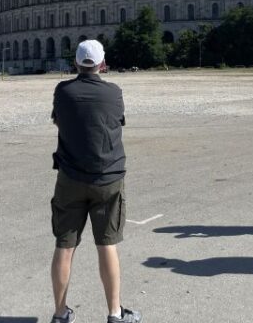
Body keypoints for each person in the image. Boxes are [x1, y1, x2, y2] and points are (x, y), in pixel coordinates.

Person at [49, 39, 142, 323]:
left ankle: (61, 313)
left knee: (65, 245)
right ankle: (115, 313)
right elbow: (118, 121)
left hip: (70, 177)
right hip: (108, 177)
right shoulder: (114, 92)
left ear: (75, 63)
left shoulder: (62, 91)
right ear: (102, 64)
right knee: (107, 244)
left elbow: (58, 121)